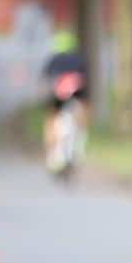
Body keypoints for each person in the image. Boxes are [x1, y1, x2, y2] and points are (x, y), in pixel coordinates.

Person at [42, 29, 88, 172]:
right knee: (81, 115)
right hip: (77, 93)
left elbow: (46, 80)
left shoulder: (54, 59)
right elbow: (84, 80)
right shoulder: (79, 58)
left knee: (52, 119)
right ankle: (79, 146)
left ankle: (51, 154)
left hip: (58, 94)